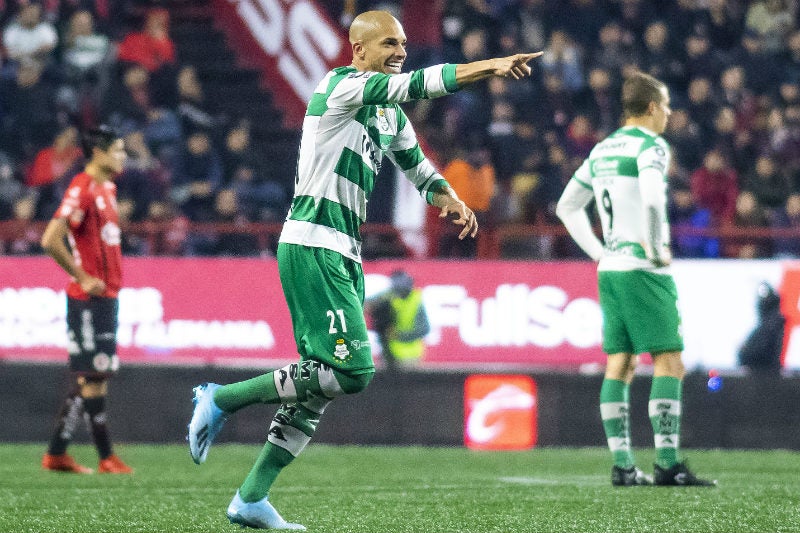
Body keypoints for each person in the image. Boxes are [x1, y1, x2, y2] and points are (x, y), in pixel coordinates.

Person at [187, 10, 541, 530]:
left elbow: (419, 170)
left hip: (344, 252)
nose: (400, 52)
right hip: (312, 244)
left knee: (320, 386)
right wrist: (492, 66)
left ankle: (251, 497)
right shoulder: (343, 85)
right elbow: (427, 82)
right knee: (352, 372)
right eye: (389, 44)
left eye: (403, 43)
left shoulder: (389, 113)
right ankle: (222, 398)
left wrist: (451, 200)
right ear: (359, 51)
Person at [556, 71, 716, 488]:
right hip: (644, 268)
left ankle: (624, 466)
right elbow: (651, 196)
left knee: (620, 365)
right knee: (669, 362)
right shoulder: (652, 146)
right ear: (650, 108)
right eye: (665, 106)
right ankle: (667, 463)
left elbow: (567, 207)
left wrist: (598, 253)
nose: (669, 113)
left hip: (611, 269)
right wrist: (655, 245)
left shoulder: (603, 149)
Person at [40, 125, 133, 475]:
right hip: (88, 298)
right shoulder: (82, 187)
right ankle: (106, 456)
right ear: (99, 152)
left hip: (107, 296)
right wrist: (82, 277)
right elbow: (51, 239)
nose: (124, 157)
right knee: (92, 375)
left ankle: (57, 453)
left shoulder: (108, 188)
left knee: (92, 375)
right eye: (119, 150)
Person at [365, 269, 430, 370]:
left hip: (410, 354)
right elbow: (368, 305)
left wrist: (400, 335)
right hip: (390, 351)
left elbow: (424, 329)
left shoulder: (416, 300)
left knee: (408, 383)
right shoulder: (389, 296)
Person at [738, 282, 785, 374]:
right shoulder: (766, 328)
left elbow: (751, 353)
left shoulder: (771, 327)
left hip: (764, 378)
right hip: (759, 376)